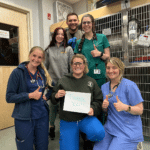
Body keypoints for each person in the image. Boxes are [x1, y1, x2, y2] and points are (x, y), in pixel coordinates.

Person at [51, 54, 105, 150]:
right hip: (68, 120)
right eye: (75, 63)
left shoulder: (91, 81)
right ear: (71, 65)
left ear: (84, 66)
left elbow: (98, 100)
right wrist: (56, 95)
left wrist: (93, 108)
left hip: (85, 118)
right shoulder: (63, 80)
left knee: (99, 133)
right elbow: (53, 99)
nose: (77, 66)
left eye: (80, 63)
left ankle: (87, 138)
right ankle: (73, 137)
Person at [6, 46, 53, 150]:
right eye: (34, 56)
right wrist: (29, 95)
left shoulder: (42, 73)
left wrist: (47, 96)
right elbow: (9, 97)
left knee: (43, 146)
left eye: (39, 57)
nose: (36, 59)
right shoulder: (17, 73)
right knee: (25, 147)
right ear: (29, 55)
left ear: (43, 59)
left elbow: (52, 86)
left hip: (42, 116)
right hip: (24, 118)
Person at [93, 57, 144, 150]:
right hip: (111, 127)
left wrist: (125, 107)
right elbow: (105, 111)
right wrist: (104, 107)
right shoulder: (104, 87)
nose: (111, 70)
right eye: (108, 68)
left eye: (114, 67)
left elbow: (140, 110)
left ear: (120, 69)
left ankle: (135, 144)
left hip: (128, 130)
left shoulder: (130, 85)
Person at [45, 27, 74, 140]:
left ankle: (66, 129)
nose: (60, 36)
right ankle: (51, 127)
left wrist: (71, 81)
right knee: (52, 106)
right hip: (52, 83)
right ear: (54, 35)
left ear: (65, 36)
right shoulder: (48, 50)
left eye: (62, 34)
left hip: (66, 82)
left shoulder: (68, 49)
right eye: (58, 34)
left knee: (66, 107)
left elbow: (71, 67)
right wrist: (47, 82)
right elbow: (45, 67)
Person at [74, 14, 110, 88]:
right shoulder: (79, 42)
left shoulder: (102, 37)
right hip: (85, 77)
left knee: (100, 98)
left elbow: (108, 57)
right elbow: (76, 62)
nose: (86, 25)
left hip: (100, 77)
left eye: (88, 22)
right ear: (81, 25)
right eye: (84, 23)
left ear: (92, 24)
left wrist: (100, 54)